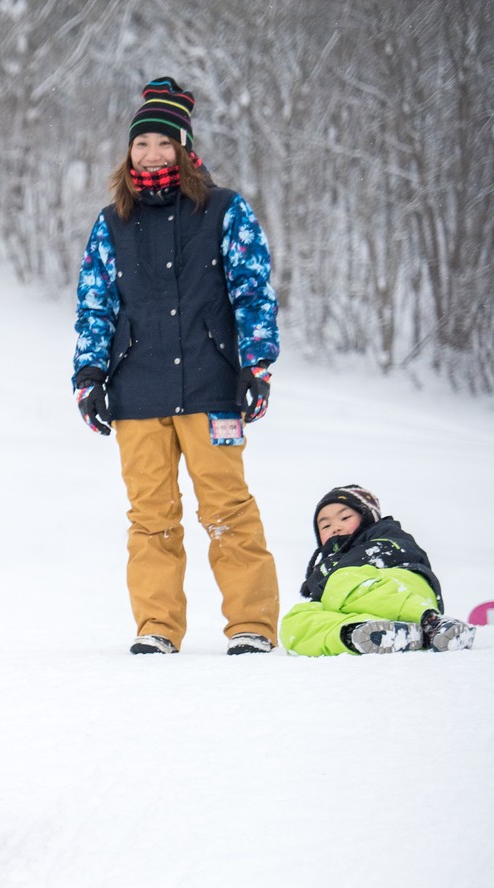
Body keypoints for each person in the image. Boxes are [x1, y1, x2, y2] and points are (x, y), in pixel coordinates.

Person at [71, 76, 281, 656]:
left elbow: (253, 291)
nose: (152, 154)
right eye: (142, 144)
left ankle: (252, 626)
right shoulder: (113, 220)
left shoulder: (222, 210)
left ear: (185, 148)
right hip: (137, 389)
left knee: (228, 510)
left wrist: (256, 366)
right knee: (151, 517)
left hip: (214, 385)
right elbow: (95, 303)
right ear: (129, 152)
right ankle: (157, 627)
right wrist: (90, 375)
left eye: (164, 143)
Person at [280, 485, 476, 656]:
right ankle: (361, 633)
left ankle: (432, 622)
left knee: (341, 580)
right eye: (325, 525)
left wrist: (336, 571)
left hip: (404, 589)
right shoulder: (328, 572)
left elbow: (396, 551)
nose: (335, 528)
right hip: (363, 608)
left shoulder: (385, 533)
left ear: (367, 517)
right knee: (295, 619)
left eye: (345, 517)